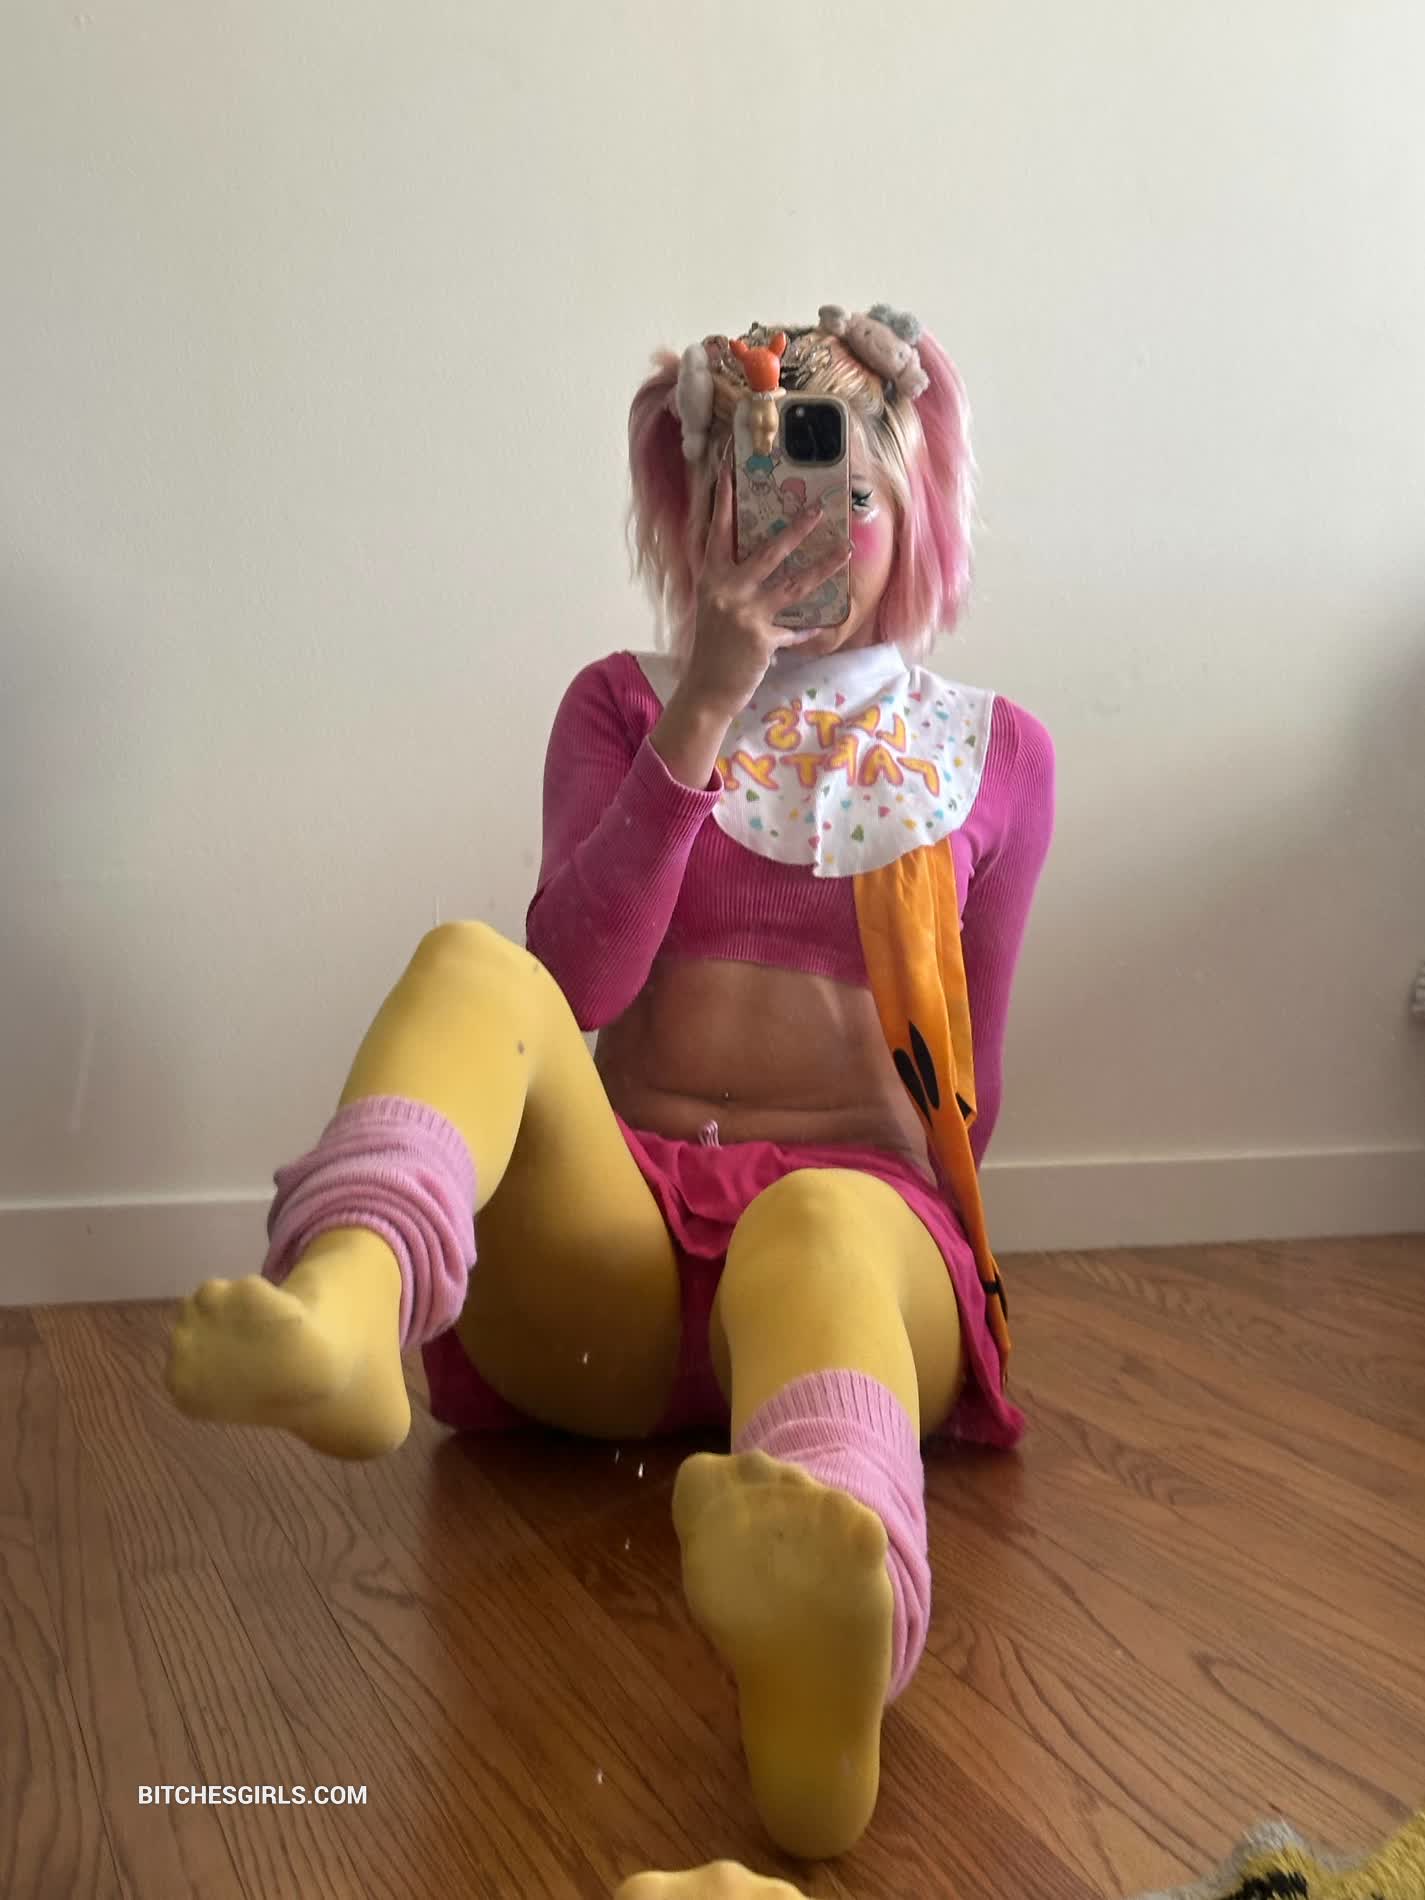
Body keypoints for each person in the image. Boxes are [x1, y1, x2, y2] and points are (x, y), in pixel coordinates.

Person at [165, 303, 1056, 1861]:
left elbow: (966, 1092)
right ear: (699, 510)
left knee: (822, 1223)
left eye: (845, 490)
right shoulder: (623, 702)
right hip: (617, 1279)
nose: (806, 529)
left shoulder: (994, 751)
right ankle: (351, 1309)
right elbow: (573, 987)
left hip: (844, 1261)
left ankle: (826, 1666)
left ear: (910, 502)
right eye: (759, 491)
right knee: (474, 965)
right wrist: (704, 708)